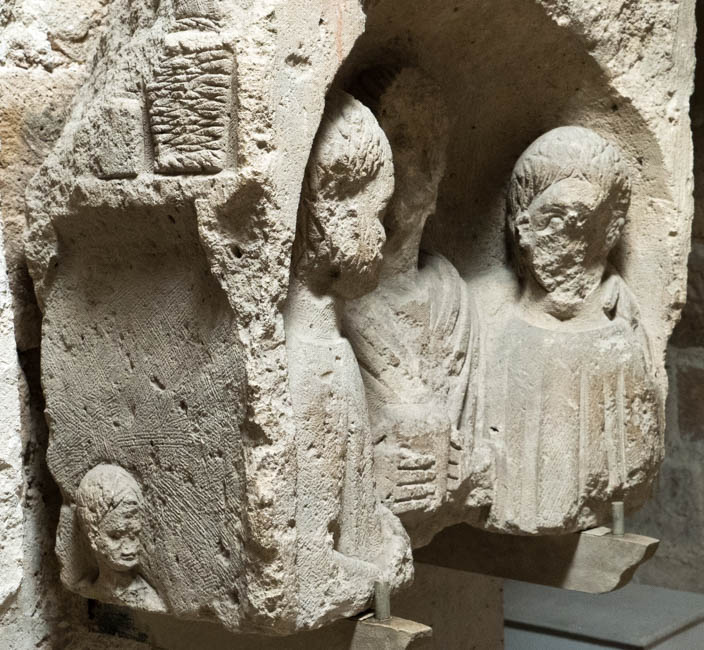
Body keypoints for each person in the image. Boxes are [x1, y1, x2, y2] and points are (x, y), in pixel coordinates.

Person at [481, 126, 660, 533]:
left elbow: (634, 457)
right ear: (522, 226)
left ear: (608, 232)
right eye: (554, 219)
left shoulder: (620, 347)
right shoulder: (490, 328)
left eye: (585, 223)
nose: (568, 240)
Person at [343, 67, 486, 544]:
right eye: (398, 142)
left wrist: (466, 466)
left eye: (428, 149)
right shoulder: (338, 302)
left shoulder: (452, 296)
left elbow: (478, 441)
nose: (415, 166)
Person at [285, 90, 411, 626]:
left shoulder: (331, 352)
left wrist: (384, 532)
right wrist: (387, 569)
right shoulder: (310, 370)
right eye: (377, 214)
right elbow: (309, 569)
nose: (384, 234)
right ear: (328, 214)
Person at [75, 464, 164, 611]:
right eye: (116, 536)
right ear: (92, 534)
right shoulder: (85, 587)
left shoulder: (150, 600)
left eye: (134, 534)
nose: (129, 547)